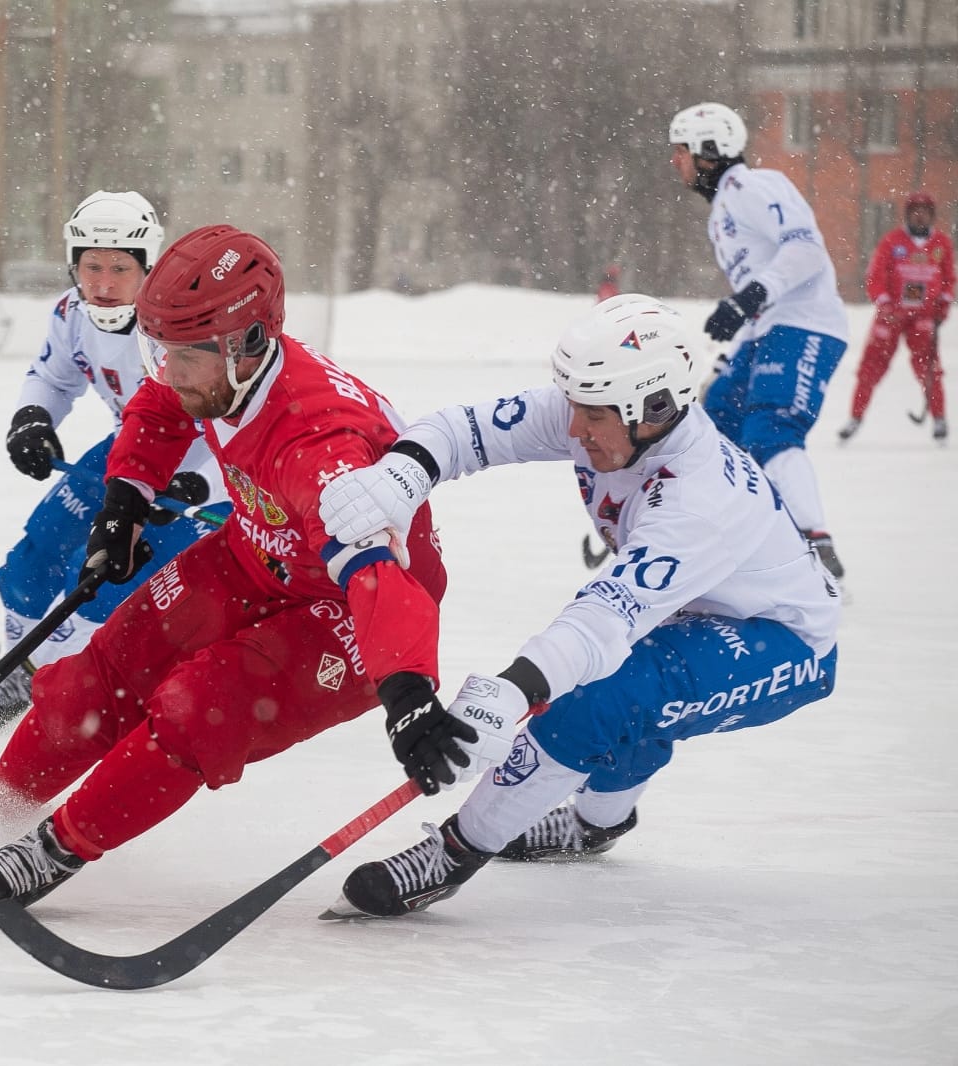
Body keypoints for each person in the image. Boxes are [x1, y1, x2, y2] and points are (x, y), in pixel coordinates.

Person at [0, 224, 459, 918]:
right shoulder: (214, 374)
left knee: (197, 707)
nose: (169, 370)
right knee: (110, 664)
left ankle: (57, 847)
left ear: (248, 345)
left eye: (185, 355)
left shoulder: (321, 445)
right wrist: (125, 502)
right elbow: (160, 405)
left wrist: (408, 691)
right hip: (258, 552)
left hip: (350, 613)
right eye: (158, 350)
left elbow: (378, 577)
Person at [312, 294, 840, 919]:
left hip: (782, 640)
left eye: (590, 416)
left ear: (656, 409)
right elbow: (465, 430)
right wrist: (402, 476)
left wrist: (513, 691)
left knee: (595, 701)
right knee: (626, 696)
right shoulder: (605, 408)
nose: (571, 430)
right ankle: (597, 825)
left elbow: (602, 622)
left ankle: (455, 854)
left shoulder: (703, 501)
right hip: (695, 604)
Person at [0, 191, 226, 734]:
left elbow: (238, 420)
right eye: (91, 266)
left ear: (148, 268)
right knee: (39, 549)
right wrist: (33, 419)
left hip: (199, 473)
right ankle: (15, 669)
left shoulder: (186, 328)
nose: (103, 283)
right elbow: (55, 377)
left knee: (107, 578)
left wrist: (199, 482)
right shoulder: (71, 312)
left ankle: (58, 674)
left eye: (120, 268)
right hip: (128, 450)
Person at [668, 102, 850, 581]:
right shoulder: (719, 214)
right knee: (713, 430)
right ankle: (711, 541)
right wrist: (729, 355)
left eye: (681, 151)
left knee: (770, 428)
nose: (676, 162)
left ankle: (816, 548)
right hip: (766, 330)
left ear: (709, 151)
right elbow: (760, 288)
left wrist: (747, 298)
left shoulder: (753, 186)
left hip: (806, 324)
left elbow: (807, 250)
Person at [840, 190, 954, 443]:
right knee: (870, 368)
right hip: (891, 316)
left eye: (925, 211)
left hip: (924, 316)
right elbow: (875, 277)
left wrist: (944, 303)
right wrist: (884, 302)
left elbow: (948, 278)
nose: (920, 216)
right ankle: (855, 418)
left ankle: (939, 419)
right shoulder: (892, 242)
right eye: (915, 211)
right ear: (907, 214)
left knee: (929, 368)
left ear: (932, 215)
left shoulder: (941, 244)